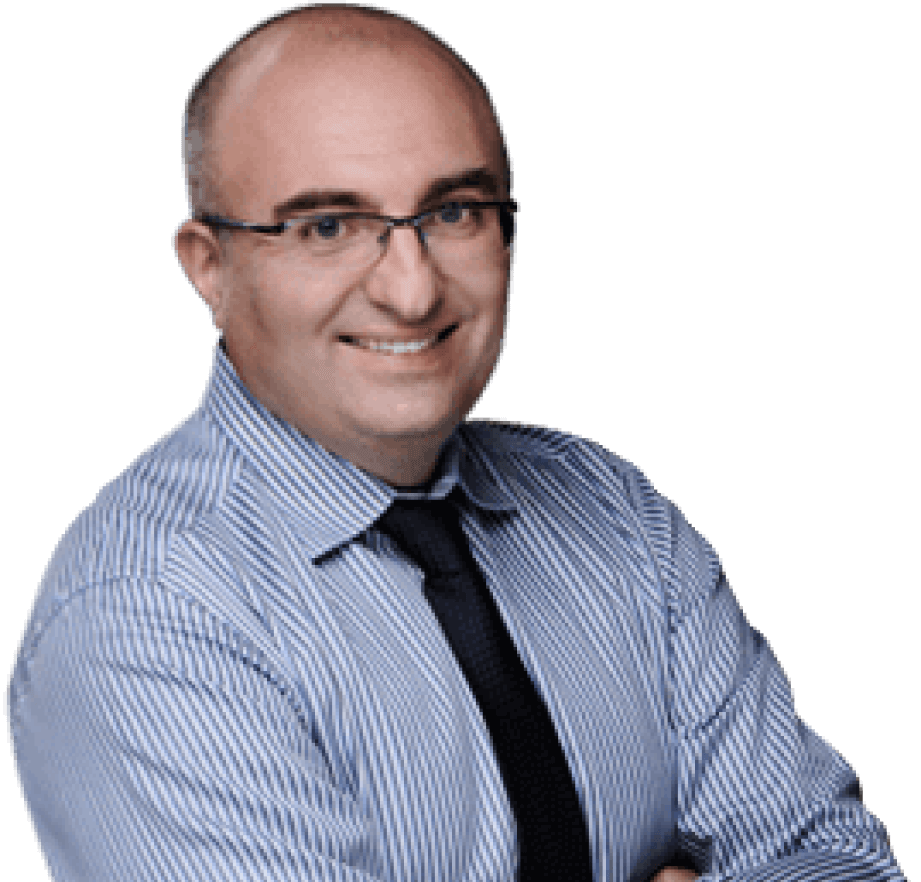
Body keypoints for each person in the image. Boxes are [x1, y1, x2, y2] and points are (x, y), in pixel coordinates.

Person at [5, 5, 903, 882]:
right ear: (208, 264)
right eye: (328, 226)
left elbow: (835, 856)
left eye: (454, 212)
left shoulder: (616, 514)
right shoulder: (148, 609)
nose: (411, 291)